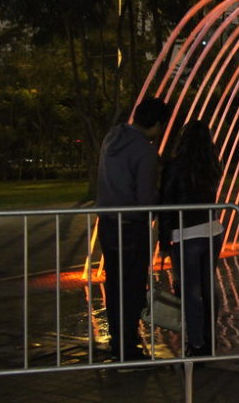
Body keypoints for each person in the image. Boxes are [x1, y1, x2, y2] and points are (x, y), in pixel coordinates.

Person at [96, 97, 171, 362]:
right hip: (131, 226)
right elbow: (146, 198)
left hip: (107, 224)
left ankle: (119, 343)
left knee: (115, 284)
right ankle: (128, 348)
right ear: (157, 123)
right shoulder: (144, 150)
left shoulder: (111, 139)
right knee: (132, 287)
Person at [159, 120, 224, 357]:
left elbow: (166, 204)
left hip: (187, 234)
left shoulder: (175, 166)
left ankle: (196, 343)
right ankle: (209, 338)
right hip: (213, 231)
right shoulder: (212, 165)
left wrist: (164, 241)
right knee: (209, 286)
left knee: (191, 291)